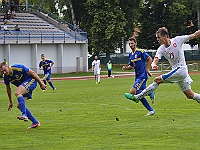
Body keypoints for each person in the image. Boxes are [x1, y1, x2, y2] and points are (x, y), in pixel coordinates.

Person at [125, 27, 200, 105]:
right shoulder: (161, 49)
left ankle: (137, 97)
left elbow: (194, 35)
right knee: (190, 95)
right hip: (177, 71)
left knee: (157, 80)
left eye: (159, 37)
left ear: (165, 36)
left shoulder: (178, 40)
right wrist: (154, 64)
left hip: (181, 69)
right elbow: (156, 59)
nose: (157, 39)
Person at [0, 62, 46, 129]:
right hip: (24, 86)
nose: (4, 72)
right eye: (2, 72)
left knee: (17, 93)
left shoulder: (17, 67)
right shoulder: (6, 77)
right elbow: (8, 88)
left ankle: (24, 115)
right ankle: (35, 122)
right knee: (19, 105)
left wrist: (41, 84)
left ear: (7, 66)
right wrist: (10, 101)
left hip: (31, 81)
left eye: (4, 70)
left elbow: (32, 73)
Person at [122, 37, 155, 116]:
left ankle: (150, 93)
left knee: (132, 92)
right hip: (137, 76)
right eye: (129, 43)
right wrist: (126, 68)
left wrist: (147, 69)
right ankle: (151, 110)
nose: (131, 45)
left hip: (142, 76)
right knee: (140, 95)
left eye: (132, 43)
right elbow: (131, 66)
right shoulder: (130, 55)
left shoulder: (141, 52)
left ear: (135, 43)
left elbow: (150, 59)